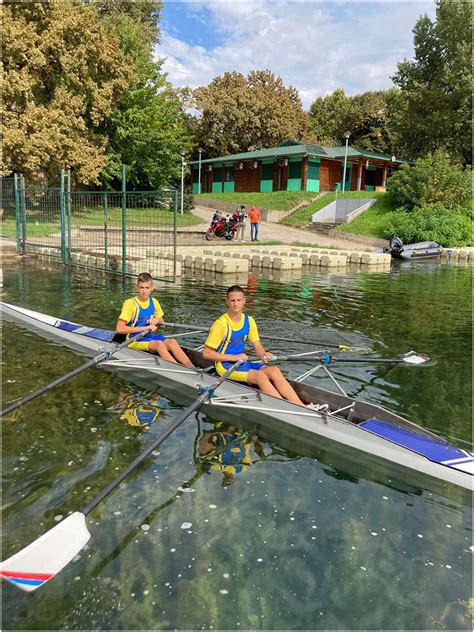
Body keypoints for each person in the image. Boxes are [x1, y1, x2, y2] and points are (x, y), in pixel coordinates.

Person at [202, 285, 310, 406]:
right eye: (232, 300)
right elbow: (206, 353)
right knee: (260, 376)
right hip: (225, 366)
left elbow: (257, 346)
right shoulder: (221, 324)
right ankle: (286, 407)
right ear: (227, 302)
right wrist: (234, 358)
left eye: (238, 300)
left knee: (274, 370)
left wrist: (264, 355)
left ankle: (301, 406)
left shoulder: (249, 321)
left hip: (241, 362)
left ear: (244, 301)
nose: (236, 304)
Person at [116, 272, 193, 368]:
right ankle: (179, 370)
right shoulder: (130, 303)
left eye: (147, 288)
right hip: (133, 339)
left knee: (172, 341)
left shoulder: (154, 302)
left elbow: (163, 324)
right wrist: (145, 328)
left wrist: (157, 320)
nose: (144, 291)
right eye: (141, 288)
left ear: (152, 287)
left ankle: (192, 368)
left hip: (149, 337)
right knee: (159, 345)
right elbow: (120, 329)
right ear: (137, 287)